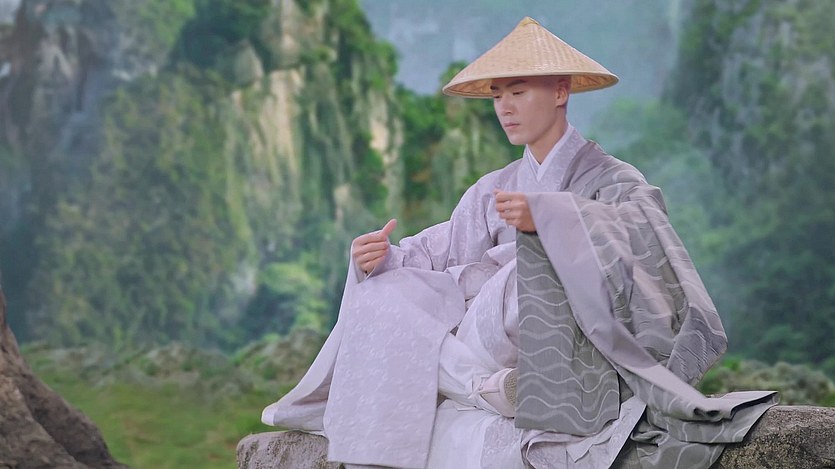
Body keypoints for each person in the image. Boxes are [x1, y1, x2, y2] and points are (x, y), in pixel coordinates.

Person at [261, 17, 776, 469]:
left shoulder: (612, 177)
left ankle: (476, 384)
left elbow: (645, 235)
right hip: (485, 350)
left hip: (565, 345)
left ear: (560, 91)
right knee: (381, 295)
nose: (505, 108)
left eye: (519, 91)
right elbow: (441, 249)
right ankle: (485, 390)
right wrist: (382, 257)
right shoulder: (494, 186)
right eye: (498, 96)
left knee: (532, 263)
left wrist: (550, 219)